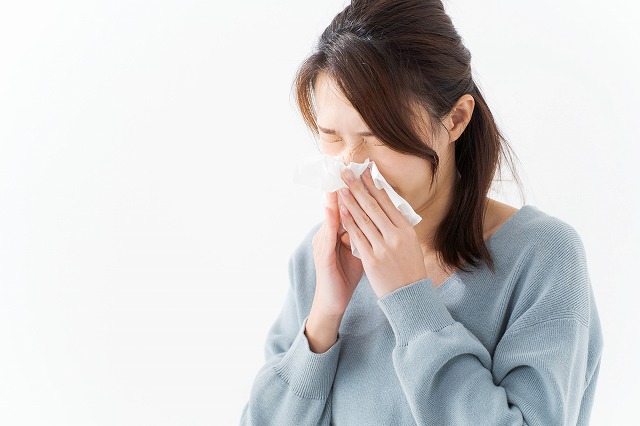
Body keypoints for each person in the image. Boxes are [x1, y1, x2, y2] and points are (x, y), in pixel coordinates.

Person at [240, 0, 603, 424]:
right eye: (332, 137)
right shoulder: (319, 259)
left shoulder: (542, 257)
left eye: (379, 137)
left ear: (456, 119)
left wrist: (410, 302)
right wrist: (323, 321)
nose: (354, 166)